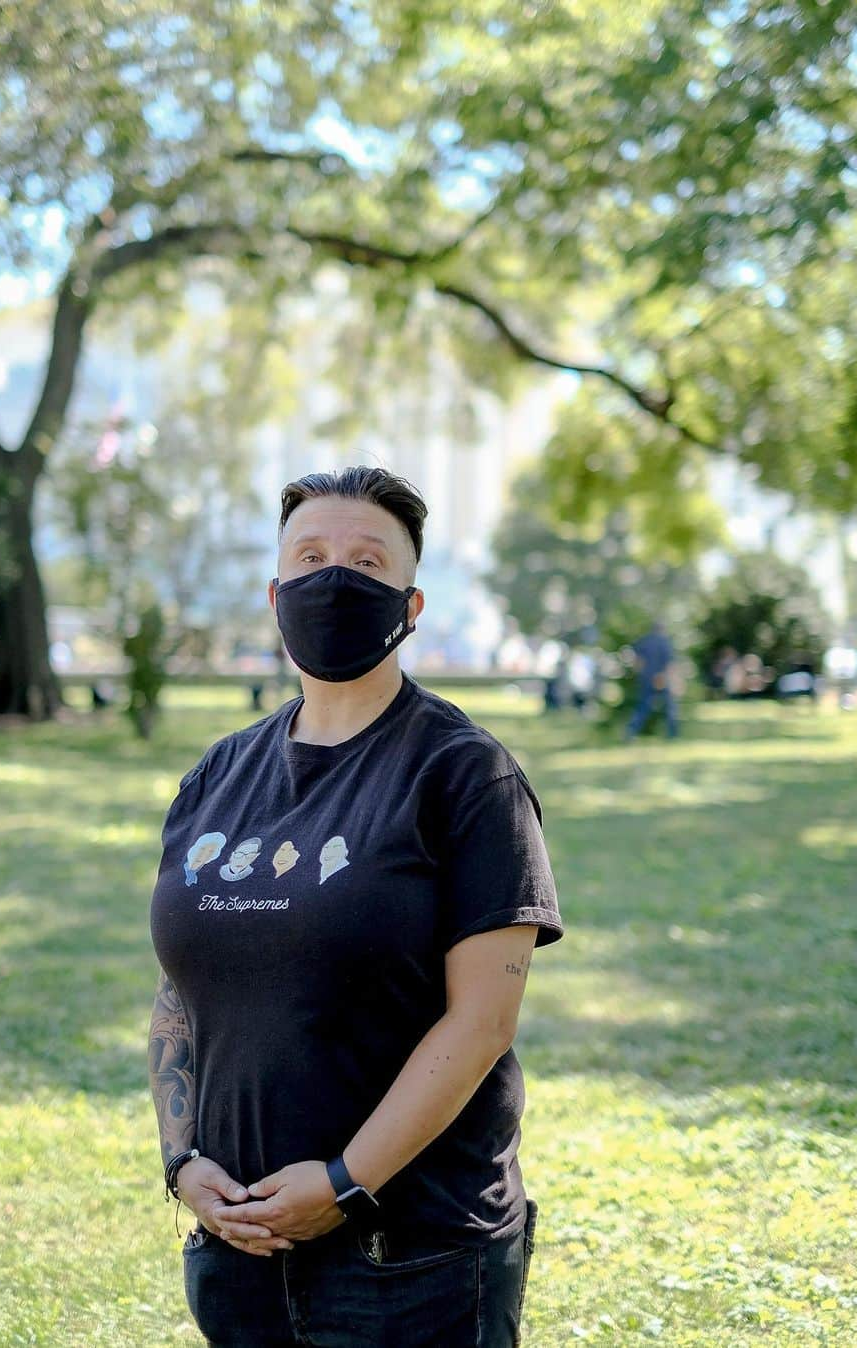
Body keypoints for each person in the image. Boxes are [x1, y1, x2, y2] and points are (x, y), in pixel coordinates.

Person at [148, 465, 565, 1347]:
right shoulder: (215, 777)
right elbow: (179, 994)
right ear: (275, 593)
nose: (334, 578)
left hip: (410, 1259)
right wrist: (182, 1162)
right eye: (311, 556)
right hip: (239, 1249)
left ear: (410, 607)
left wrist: (344, 1183)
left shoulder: (465, 775)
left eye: (368, 563)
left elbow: (482, 1021)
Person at [624, 620, 679, 740]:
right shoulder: (665, 642)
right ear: (663, 629)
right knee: (670, 706)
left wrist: (641, 673)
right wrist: (671, 681)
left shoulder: (644, 641)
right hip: (661, 678)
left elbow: (635, 660)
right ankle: (673, 734)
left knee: (642, 706)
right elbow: (669, 664)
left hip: (646, 678)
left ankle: (630, 732)